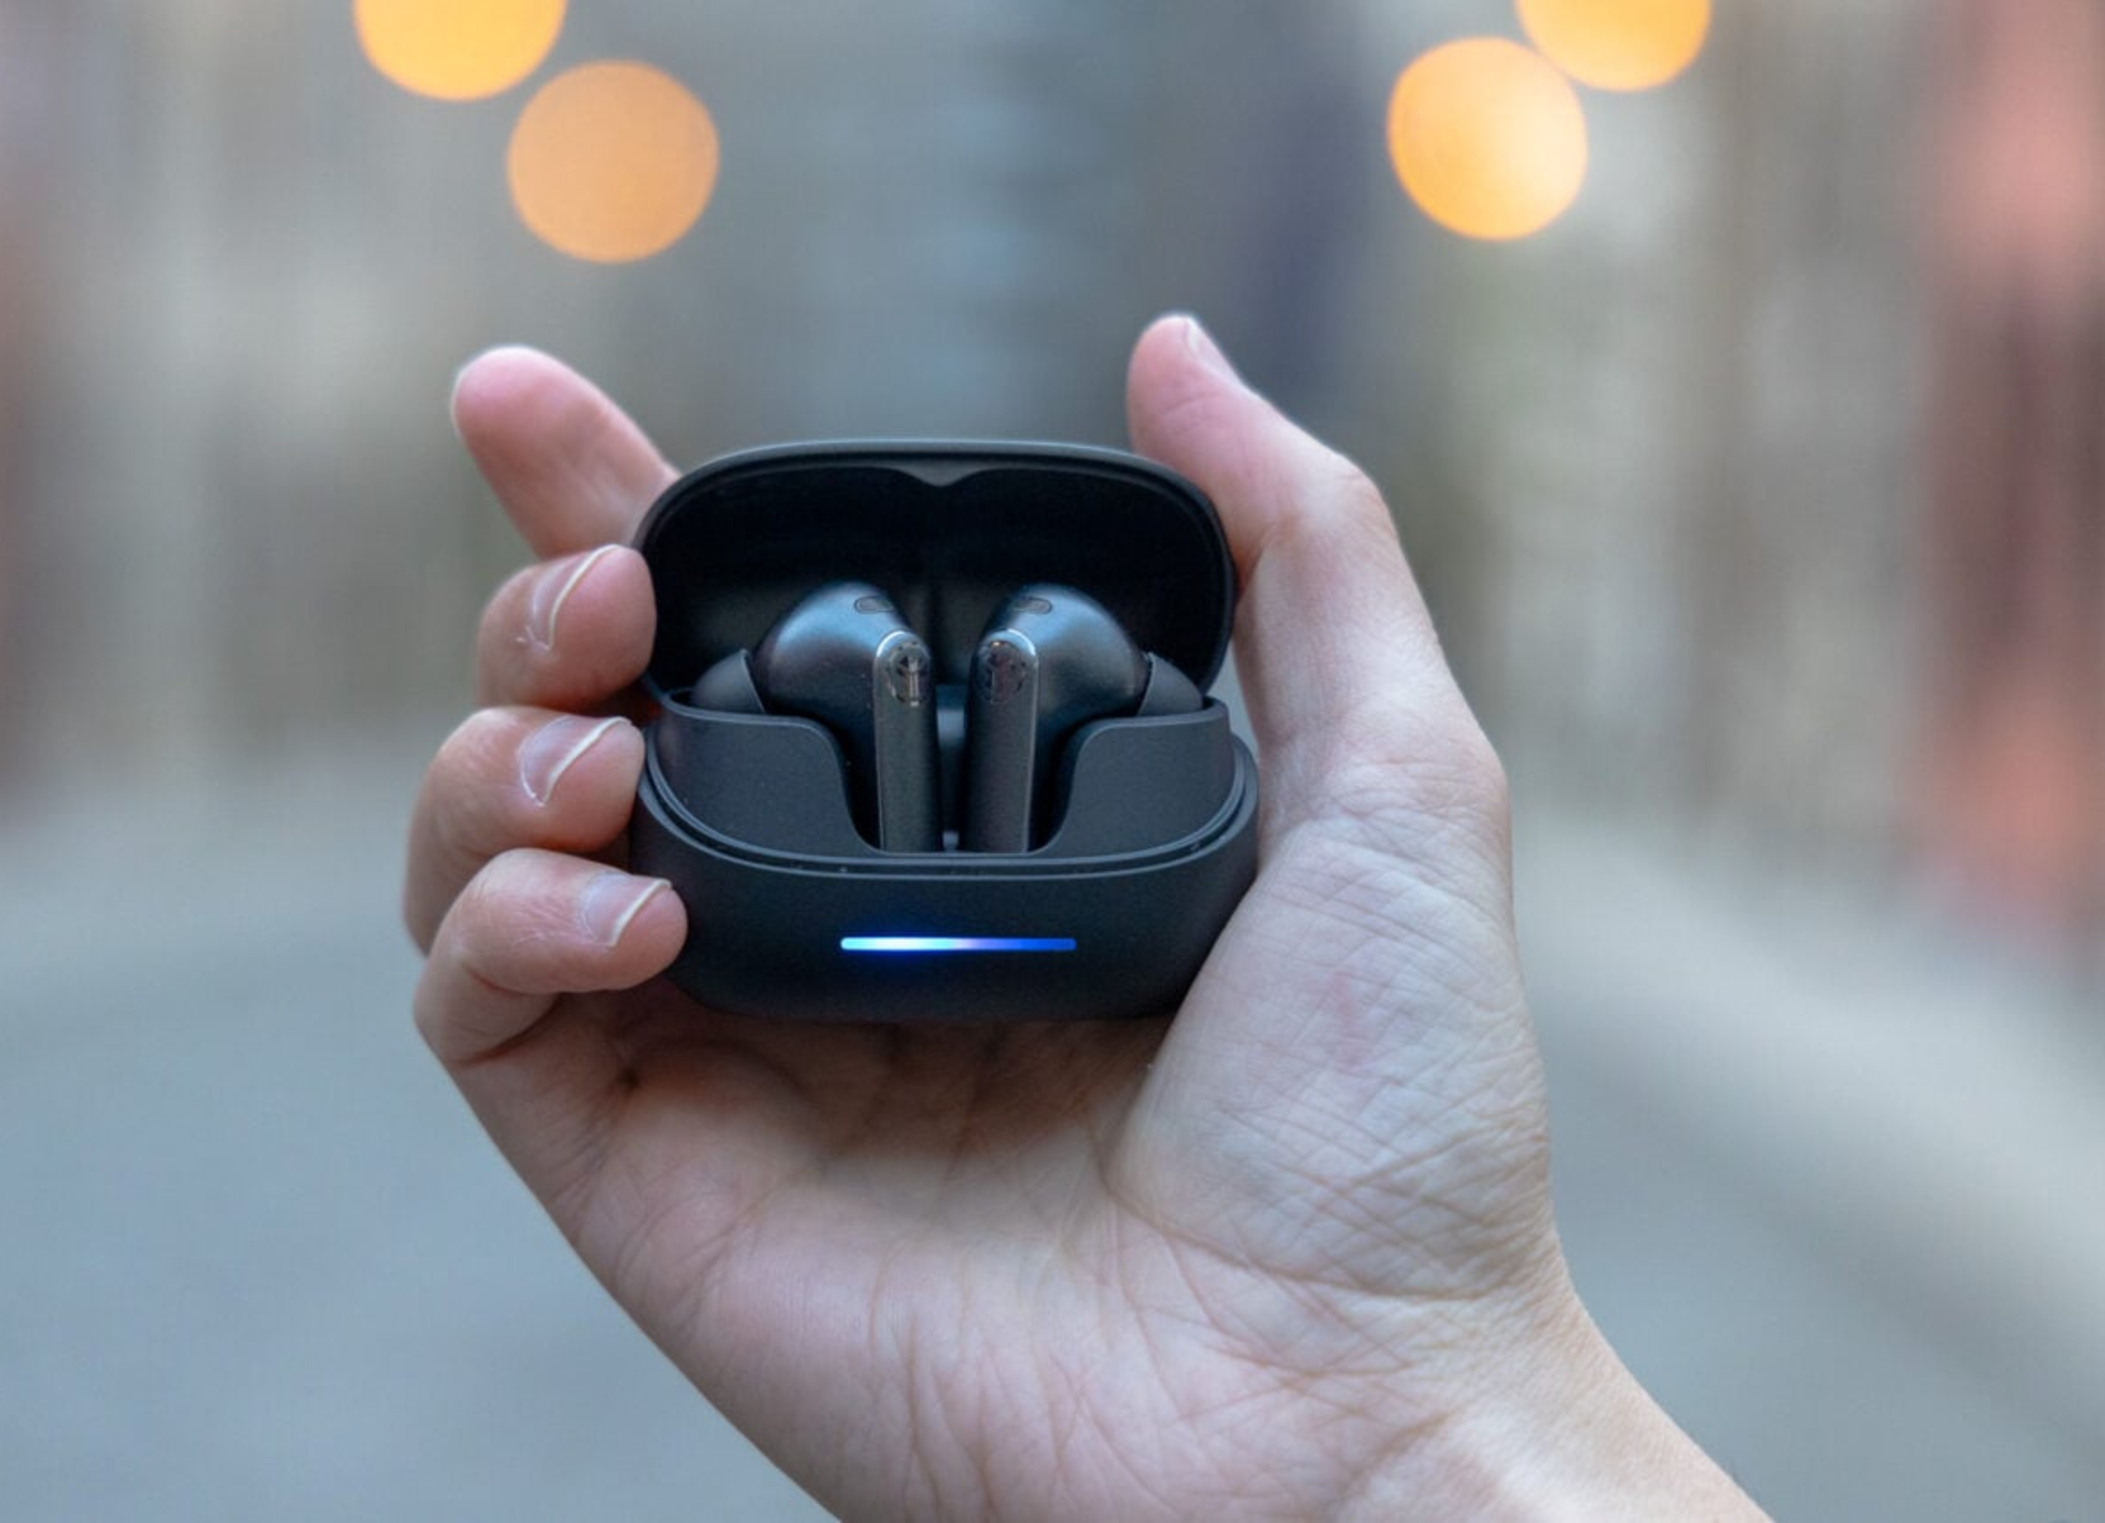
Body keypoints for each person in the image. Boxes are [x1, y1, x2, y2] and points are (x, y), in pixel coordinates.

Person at [401, 316, 1764, 1518]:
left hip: (912, 1008)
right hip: (917, 950)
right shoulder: (1053, 690)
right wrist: (1410, 1447)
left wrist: (1381, 1426)